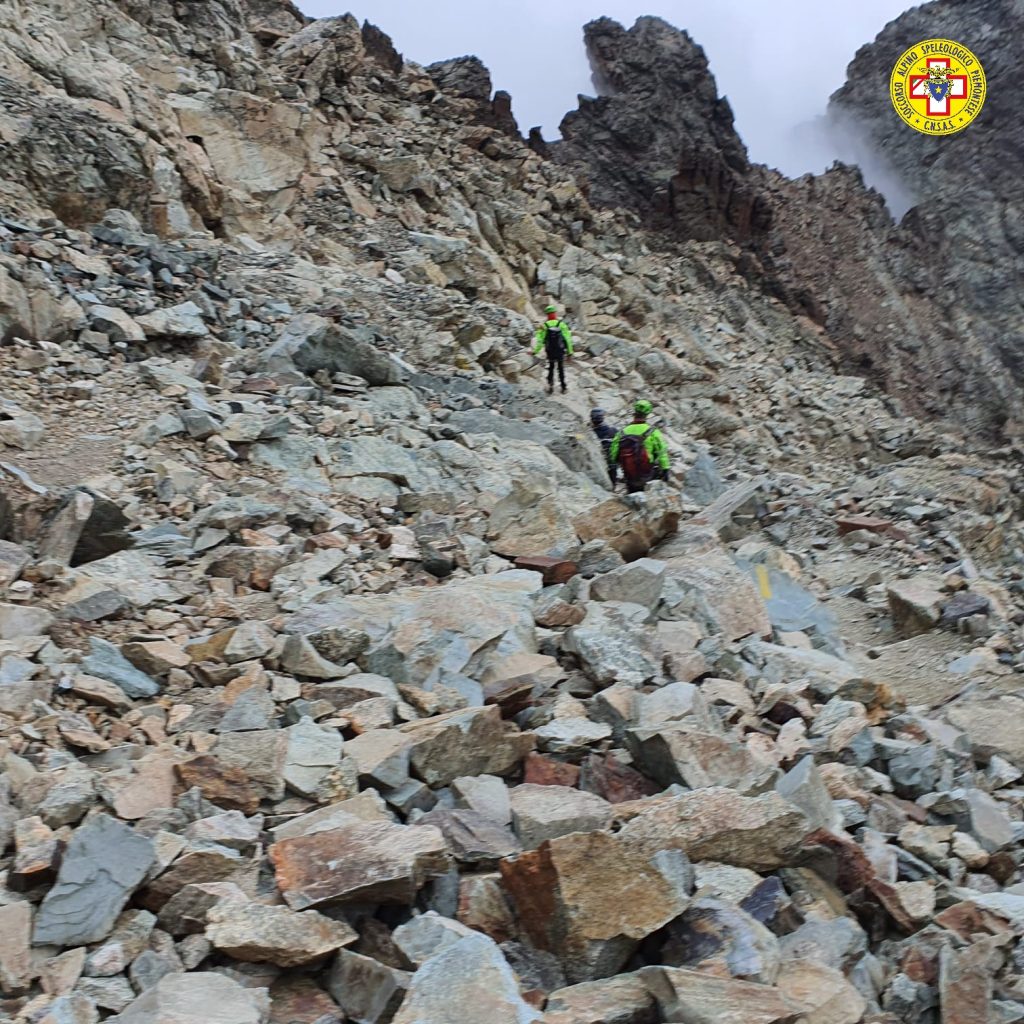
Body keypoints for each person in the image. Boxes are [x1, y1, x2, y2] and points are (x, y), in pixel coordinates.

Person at [609, 399, 670, 494]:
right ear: (647, 414)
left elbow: (613, 456)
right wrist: (665, 470)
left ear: (634, 412)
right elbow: (662, 452)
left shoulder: (621, 433)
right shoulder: (653, 432)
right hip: (648, 474)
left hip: (629, 475)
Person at [532, 304, 573, 395]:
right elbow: (568, 340)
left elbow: (540, 340)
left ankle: (550, 386)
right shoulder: (562, 325)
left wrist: (535, 351)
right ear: (555, 313)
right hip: (560, 351)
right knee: (561, 368)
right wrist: (570, 353)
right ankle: (563, 387)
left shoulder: (544, 326)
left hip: (550, 351)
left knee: (551, 367)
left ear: (547, 315)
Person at [590, 408, 618, 488]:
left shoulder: (590, 433)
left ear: (592, 419)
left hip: (597, 465)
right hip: (612, 464)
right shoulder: (613, 431)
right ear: (603, 418)